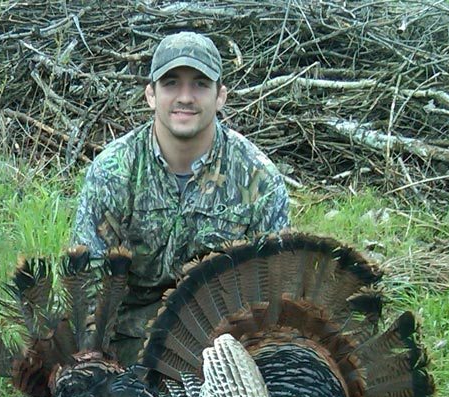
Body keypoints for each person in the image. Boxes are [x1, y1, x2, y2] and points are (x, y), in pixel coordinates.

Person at [73, 31, 290, 365]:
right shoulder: (112, 172)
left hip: (221, 346)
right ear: (151, 95)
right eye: (171, 83)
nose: (185, 97)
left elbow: (275, 290)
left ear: (221, 96)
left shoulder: (258, 179)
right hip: (127, 342)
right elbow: (90, 285)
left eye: (200, 84)